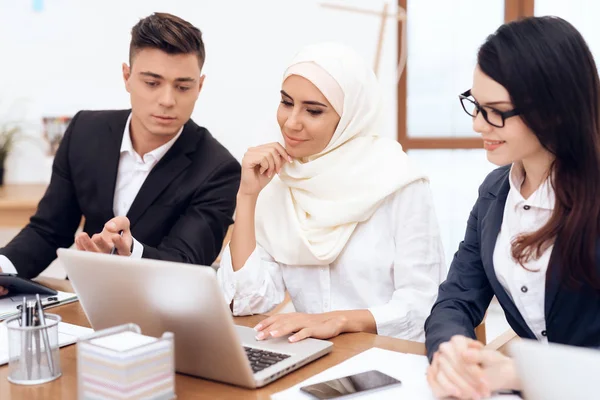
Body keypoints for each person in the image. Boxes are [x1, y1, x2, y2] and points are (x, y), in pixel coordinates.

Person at [217, 42, 445, 343]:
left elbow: (421, 306)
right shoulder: (279, 181)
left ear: (350, 117)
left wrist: (337, 321)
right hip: (308, 356)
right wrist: (247, 198)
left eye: (313, 111)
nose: (291, 122)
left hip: (391, 356)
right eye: (286, 103)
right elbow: (247, 302)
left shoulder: (399, 182)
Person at [0, 12, 240, 295]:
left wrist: (131, 251)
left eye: (183, 87)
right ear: (127, 77)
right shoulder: (84, 131)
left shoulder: (218, 169)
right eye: (152, 83)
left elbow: (185, 265)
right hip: (81, 298)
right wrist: (4, 268)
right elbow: (49, 230)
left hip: (161, 309)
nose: (167, 100)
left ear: (199, 86)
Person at [425, 16, 600, 399]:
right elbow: (455, 298)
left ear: (554, 109)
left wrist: (523, 374)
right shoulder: (494, 193)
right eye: (475, 104)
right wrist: (452, 352)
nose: (478, 125)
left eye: (496, 110)